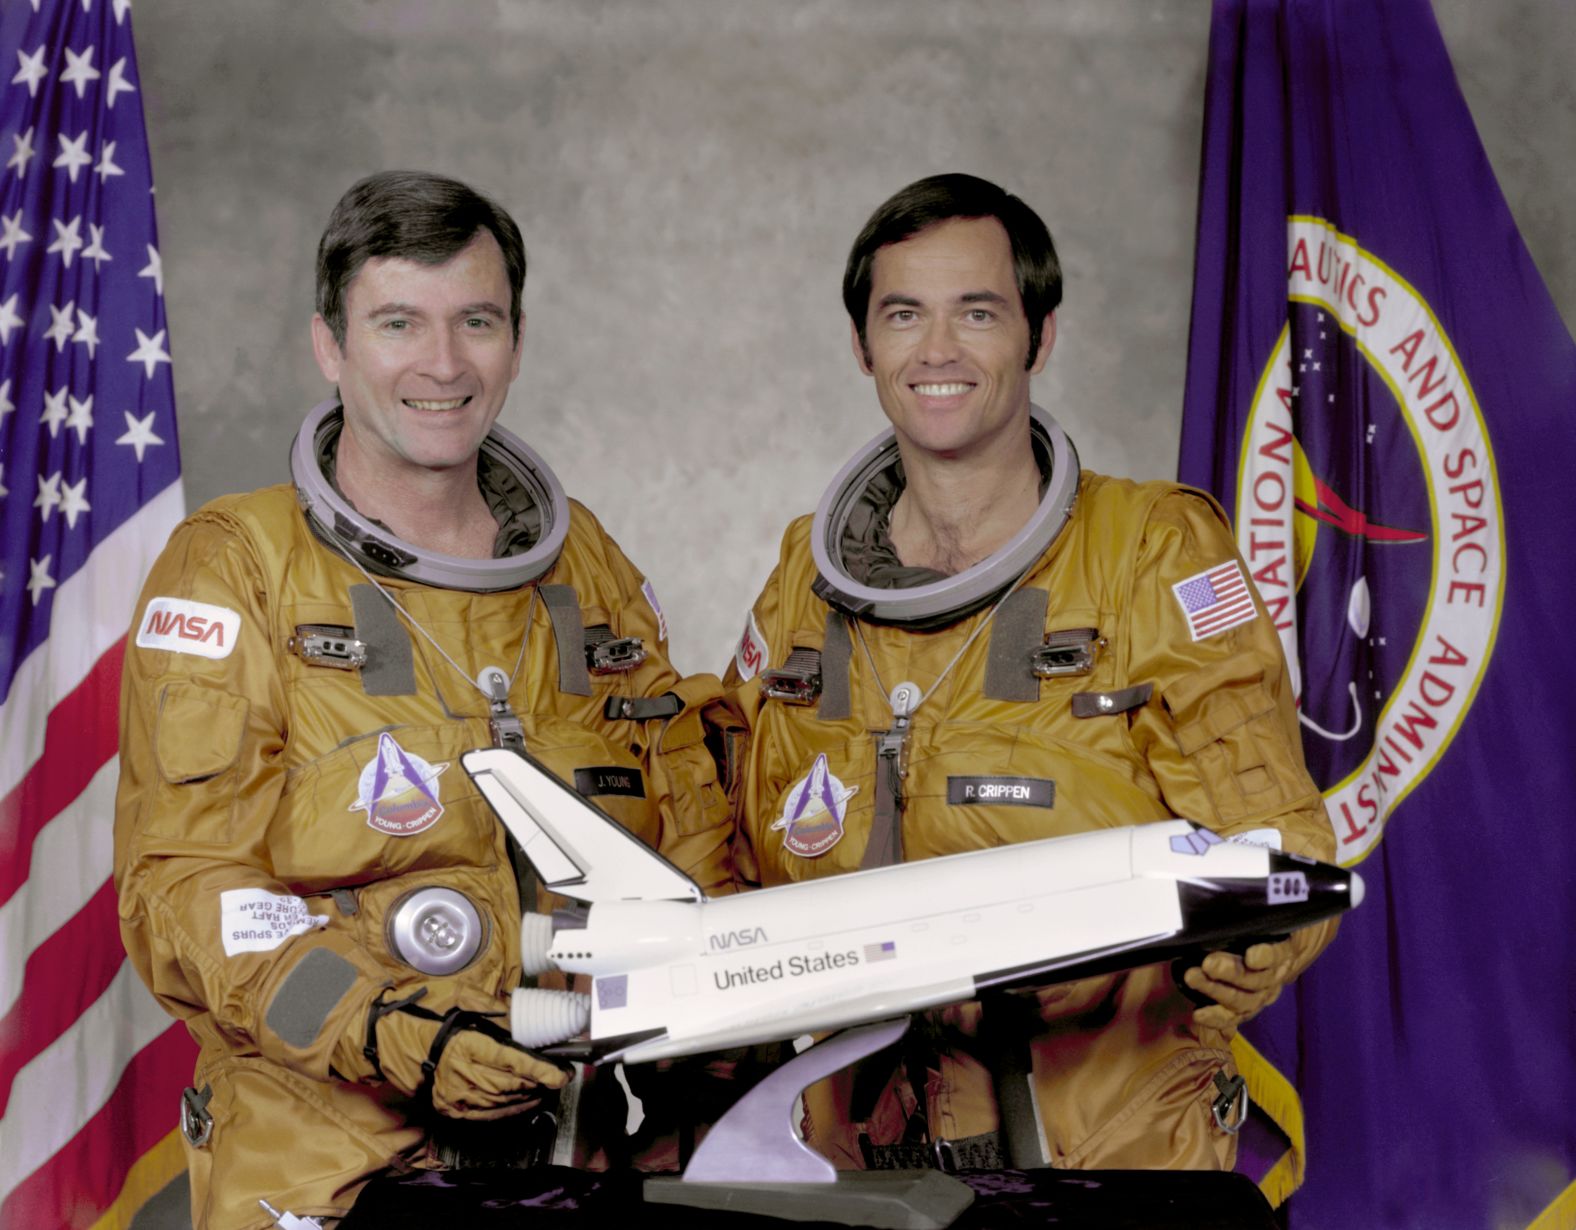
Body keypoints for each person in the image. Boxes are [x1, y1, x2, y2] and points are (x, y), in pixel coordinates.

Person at [113, 171, 740, 1229]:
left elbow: (689, 830)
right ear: (331, 345)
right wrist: (392, 1031)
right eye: (398, 323)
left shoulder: (583, 565)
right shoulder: (238, 567)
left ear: (517, 338)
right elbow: (188, 891)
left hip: (595, 1159)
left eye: (476, 322)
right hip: (335, 1175)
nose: (443, 365)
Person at [725, 173, 1337, 1176]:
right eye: (903, 315)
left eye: (977, 312)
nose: (937, 351)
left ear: (1038, 337)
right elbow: (732, 825)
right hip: (859, 1153)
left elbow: (1268, 820)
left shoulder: (1150, 550)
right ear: (861, 344)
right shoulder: (808, 575)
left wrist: (1259, 932)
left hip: (1106, 1151)